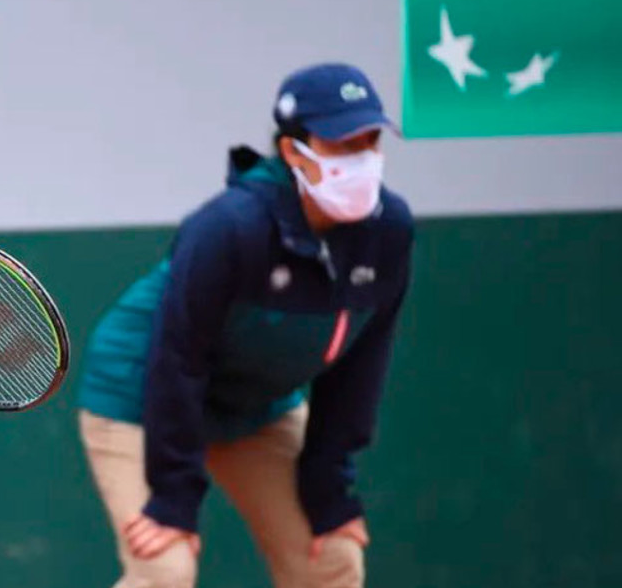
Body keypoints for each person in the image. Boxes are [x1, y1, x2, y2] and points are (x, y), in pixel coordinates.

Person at [77, 63, 414, 588]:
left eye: (370, 140)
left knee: (332, 557)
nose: (361, 157)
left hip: (255, 406)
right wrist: (174, 496)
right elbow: (178, 358)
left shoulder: (390, 231)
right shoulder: (228, 229)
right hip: (141, 393)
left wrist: (330, 488)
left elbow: (360, 365)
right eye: (341, 143)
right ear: (291, 152)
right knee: (164, 569)